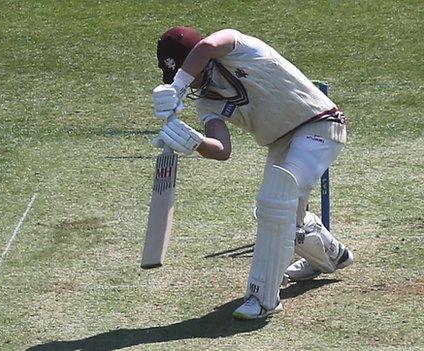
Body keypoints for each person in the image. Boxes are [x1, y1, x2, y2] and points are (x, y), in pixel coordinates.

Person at [151, 26, 354, 320]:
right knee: (274, 210)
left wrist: (177, 86)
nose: (188, 84)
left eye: (185, 72)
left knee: (276, 198)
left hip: (320, 125)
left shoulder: (239, 48)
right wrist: (192, 141)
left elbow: (209, 44)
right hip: (281, 142)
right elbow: (222, 149)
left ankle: (262, 299)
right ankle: (332, 254)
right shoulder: (208, 100)